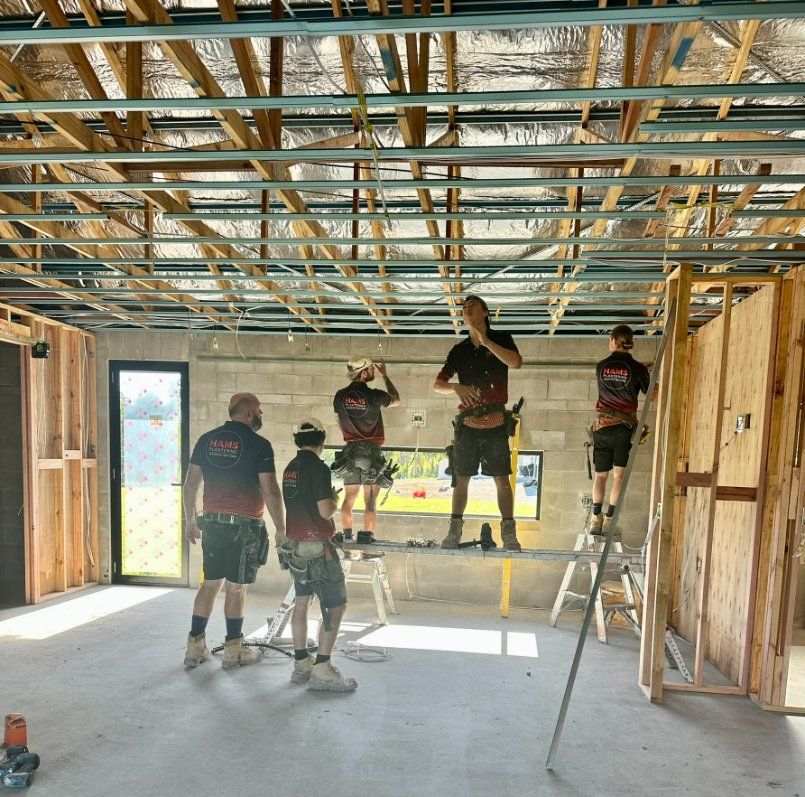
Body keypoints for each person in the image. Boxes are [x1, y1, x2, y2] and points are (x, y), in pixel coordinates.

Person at [182, 393, 285, 669]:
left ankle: (195, 648)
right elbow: (271, 490)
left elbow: (190, 484)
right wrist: (281, 528)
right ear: (249, 412)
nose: (261, 415)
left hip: (212, 522)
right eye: (260, 411)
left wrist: (190, 520)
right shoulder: (259, 444)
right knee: (236, 589)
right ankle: (233, 651)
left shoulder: (207, 440)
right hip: (244, 525)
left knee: (211, 583)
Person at [433, 295, 523, 551]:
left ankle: (509, 533)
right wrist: (455, 387)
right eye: (463, 308)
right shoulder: (459, 350)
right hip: (468, 424)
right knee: (462, 478)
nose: (466, 310)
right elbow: (437, 385)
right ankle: (454, 531)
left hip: (495, 422)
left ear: (485, 312)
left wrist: (486, 342)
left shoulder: (502, 339)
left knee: (501, 478)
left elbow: (515, 362)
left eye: (472, 306)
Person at [280, 418, 357, 692]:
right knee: (335, 605)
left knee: (302, 602)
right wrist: (335, 500)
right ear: (322, 441)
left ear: (297, 441)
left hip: (296, 547)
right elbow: (325, 511)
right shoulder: (319, 468)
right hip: (318, 549)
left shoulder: (290, 468)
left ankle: (301, 662)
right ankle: (322, 667)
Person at [590, 324, 652, 535]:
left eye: (610, 340)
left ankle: (595, 518)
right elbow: (650, 393)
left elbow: (615, 381)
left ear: (615, 341)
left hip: (602, 427)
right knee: (619, 476)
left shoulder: (601, 366)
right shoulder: (639, 369)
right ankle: (609, 520)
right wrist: (648, 377)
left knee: (601, 476)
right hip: (624, 429)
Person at [332, 357, 400, 541]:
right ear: (363, 373)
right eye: (371, 370)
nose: (374, 372)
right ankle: (367, 538)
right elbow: (396, 400)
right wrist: (386, 376)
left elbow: (339, 421)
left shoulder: (339, 396)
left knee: (349, 498)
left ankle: (347, 537)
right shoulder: (374, 395)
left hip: (350, 452)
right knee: (370, 501)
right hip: (372, 453)